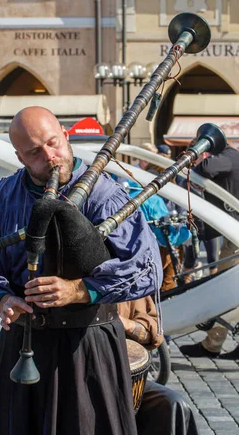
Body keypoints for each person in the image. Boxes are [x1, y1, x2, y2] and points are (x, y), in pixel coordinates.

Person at [0, 106, 163, 435]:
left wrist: (79, 290)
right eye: (35, 152)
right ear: (20, 156)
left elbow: (146, 268)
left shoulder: (105, 196)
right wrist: (2, 301)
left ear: (65, 137)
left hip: (89, 346)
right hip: (23, 346)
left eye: (53, 143)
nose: (50, 157)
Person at [179, 145, 239, 359]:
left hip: (235, 239)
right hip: (233, 234)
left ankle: (212, 344)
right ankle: (213, 343)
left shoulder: (228, 157)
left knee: (224, 292)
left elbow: (205, 167)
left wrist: (198, 158)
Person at [118, 297, 200, 435]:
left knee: (174, 404)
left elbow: (152, 332)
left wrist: (125, 324)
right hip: (77, 381)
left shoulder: (123, 281)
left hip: (125, 381)